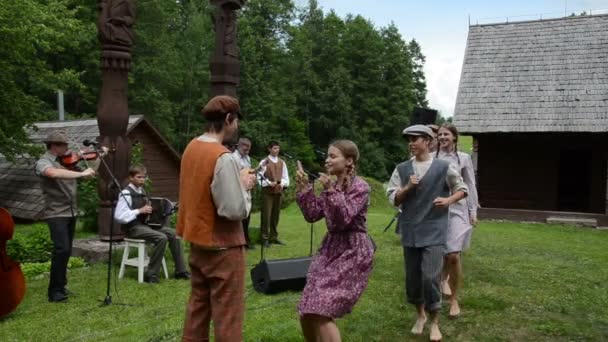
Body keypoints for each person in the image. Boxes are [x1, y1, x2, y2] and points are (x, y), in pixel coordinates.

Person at [177, 95, 256, 342]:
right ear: (229, 119)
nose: (237, 127)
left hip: (197, 243)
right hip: (223, 247)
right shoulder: (222, 156)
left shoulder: (191, 147)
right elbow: (233, 210)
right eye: (236, 122)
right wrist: (244, 185)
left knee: (197, 311)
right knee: (228, 317)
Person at [386, 125, 468, 342]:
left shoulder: (443, 167)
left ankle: (434, 321)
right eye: (409, 140)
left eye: (415, 139)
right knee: (413, 278)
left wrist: (448, 200)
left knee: (431, 276)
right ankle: (420, 315)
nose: (411, 143)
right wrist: (407, 188)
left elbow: (462, 188)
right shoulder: (402, 168)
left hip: (434, 229)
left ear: (428, 141)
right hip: (411, 229)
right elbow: (393, 198)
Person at [295, 140, 374, 342]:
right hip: (330, 249)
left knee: (321, 309)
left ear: (349, 161)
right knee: (307, 309)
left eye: (332, 156)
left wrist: (331, 191)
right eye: (327, 156)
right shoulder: (333, 185)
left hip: (352, 252)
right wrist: (304, 188)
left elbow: (343, 218)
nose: (327, 160)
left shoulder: (360, 187)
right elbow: (312, 214)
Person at [34, 130, 98, 302]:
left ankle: (61, 286)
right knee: (61, 249)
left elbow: (89, 175)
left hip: (71, 211)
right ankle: (54, 292)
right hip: (56, 213)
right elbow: (52, 173)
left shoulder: (68, 162)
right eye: (65, 145)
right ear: (55, 145)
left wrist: (99, 156)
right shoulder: (43, 162)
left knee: (66, 251)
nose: (68, 149)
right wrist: (81, 174)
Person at [113, 165, 190, 283]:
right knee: (161, 237)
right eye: (139, 177)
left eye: (144, 177)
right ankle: (150, 274)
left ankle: (181, 271)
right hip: (132, 228)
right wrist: (139, 211)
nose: (142, 180)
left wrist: (163, 211)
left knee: (174, 234)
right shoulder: (126, 193)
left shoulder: (142, 191)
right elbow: (119, 216)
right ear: (131, 178)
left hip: (145, 226)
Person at [436, 124, 479, 317]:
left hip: (458, 210)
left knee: (453, 254)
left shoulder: (464, 158)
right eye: (440, 135)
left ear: (454, 137)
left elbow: (470, 185)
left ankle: (454, 300)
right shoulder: (433, 158)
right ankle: (443, 279)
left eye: (446, 134)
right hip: (436, 209)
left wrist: (473, 211)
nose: (442, 137)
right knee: (443, 254)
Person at [257, 140, 289, 247]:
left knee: (276, 216)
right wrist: (269, 183)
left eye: (278, 148)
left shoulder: (282, 162)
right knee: (266, 216)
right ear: (269, 149)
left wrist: (282, 184)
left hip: (278, 192)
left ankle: (273, 237)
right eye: (275, 148)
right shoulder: (264, 162)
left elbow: (286, 178)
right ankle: (264, 238)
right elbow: (259, 177)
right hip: (267, 193)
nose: (277, 150)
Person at [232, 137, 255, 249]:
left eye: (249, 150)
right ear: (239, 146)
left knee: (247, 216)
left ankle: (246, 240)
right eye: (245, 149)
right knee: (239, 217)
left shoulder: (248, 158)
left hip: (247, 190)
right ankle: (238, 241)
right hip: (237, 190)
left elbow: (249, 171)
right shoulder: (233, 158)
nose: (247, 152)